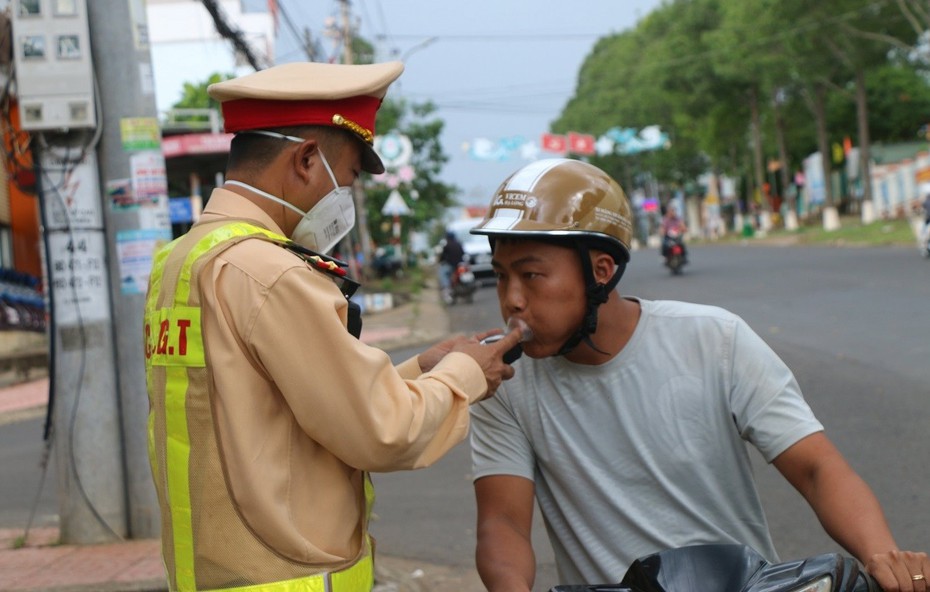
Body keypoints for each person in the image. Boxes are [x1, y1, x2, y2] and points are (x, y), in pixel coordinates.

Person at [142, 61, 525, 592]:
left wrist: (418, 369)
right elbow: (381, 432)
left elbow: (286, 406)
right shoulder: (270, 273)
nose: (343, 198)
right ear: (304, 160)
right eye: (345, 179)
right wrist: (465, 374)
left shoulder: (181, 263)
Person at [467, 158, 928, 592]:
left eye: (531, 275)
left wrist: (883, 556)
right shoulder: (501, 381)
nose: (512, 299)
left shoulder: (714, 339)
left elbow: (816, 468)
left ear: (601, 272)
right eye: (503, 276)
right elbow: (502, 522)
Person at [438, 230, 465, 302]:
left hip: (450, 266)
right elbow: (463, 253)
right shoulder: (459, 244)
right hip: (459, 265)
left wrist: (440, 261)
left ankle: (447, 289)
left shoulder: (447, 246)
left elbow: (442, 257)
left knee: (443, 274)